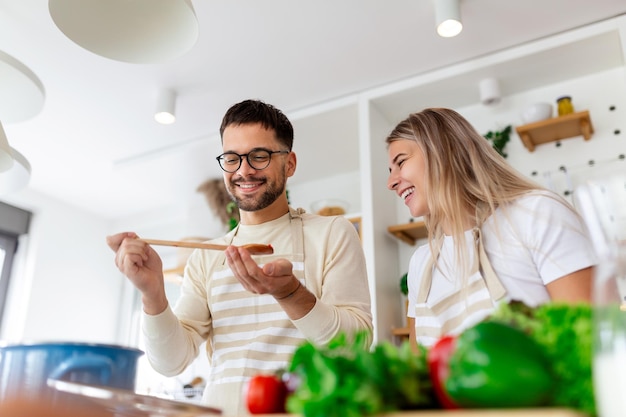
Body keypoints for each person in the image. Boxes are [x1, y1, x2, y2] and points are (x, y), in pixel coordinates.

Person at [107, 99, 373, 415]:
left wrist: (291, 294)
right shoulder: (206, 258)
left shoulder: (332, 232)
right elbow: (171, 362)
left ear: (289, 164)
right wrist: (152, 293)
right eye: (232, 158)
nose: (244, 170)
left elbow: (354, 346)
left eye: (259, 156)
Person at [385, 107, 595, 348]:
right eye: (390, 171)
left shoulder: (536, 213)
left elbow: (589, 340)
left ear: (443, 151)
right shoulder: (420, 264)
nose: (391, 182)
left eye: (401, 162)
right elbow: (416, 372)